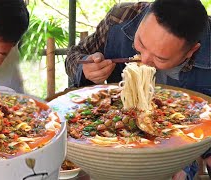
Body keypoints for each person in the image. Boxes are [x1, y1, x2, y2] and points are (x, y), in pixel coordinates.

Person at [65, 0, 210, 179]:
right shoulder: (122, 17)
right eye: (141, 42)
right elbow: (73, 57)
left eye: (160, 58)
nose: (144, 58)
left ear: (191, 51)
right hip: (112, 144)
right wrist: (86, 67)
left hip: (179, 152)